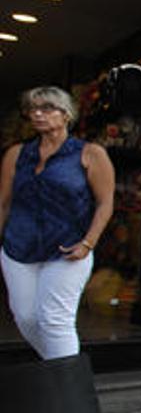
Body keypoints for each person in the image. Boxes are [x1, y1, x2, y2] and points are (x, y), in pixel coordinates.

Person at [0, 86, 115, 360]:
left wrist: (89, 243)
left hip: (67, 249)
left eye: (47, 108)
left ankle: (69, 391)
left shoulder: (90, 153)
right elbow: (4, 202)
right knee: (26, 318)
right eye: (33, 109)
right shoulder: (17, 154)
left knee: (54, 320)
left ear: (66, 115)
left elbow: (105, 203)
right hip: (19, 248)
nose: (38, 114)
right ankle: (63, 373)